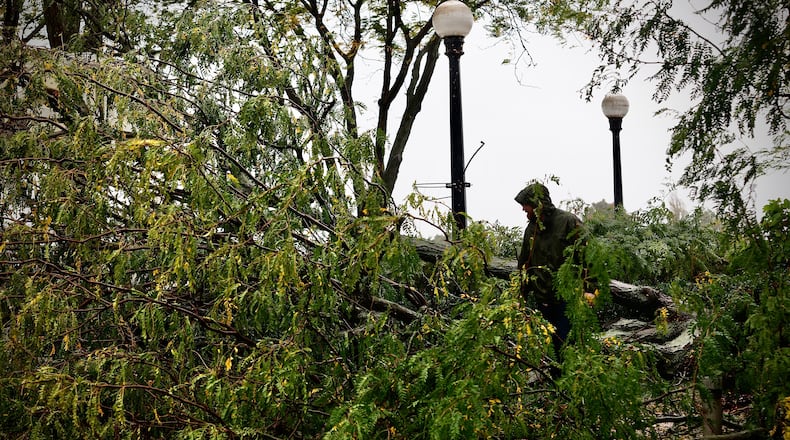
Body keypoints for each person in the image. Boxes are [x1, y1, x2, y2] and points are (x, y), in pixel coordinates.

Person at [515, 182, 584, 356]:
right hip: (543, 301)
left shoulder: (569, 221)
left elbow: (587, 256)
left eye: (526, 205)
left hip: (567, 300)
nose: (524, 210)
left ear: (538, 204)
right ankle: (554, 380)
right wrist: (519, 295)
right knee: (550, 350)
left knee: (567, 347)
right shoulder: (532, 229)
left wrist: (590, 290)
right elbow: (524, 264)